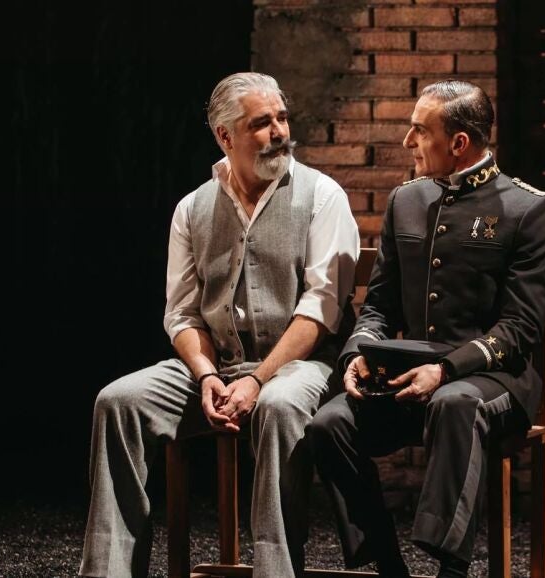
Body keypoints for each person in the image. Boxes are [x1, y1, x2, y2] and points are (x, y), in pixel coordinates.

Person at [79, 72, 361, 578]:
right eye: (262, 123)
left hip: (303, 365)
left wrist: (258, 379)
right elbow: (182, 312)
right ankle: (108, 571)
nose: (279, 132)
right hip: (222, 365)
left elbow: (321, 310)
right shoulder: (193, 208)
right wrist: (207, 374)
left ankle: (276, 571)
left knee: (277, 404)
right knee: (118, 402)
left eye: (282, 118)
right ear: (224, 136)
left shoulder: (323, 196)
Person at [310, 80, 545, 578]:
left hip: (496, 380)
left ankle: (450, 569)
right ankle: (388, 564)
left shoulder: (529, 210)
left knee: (454, 403)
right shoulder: (405, 200)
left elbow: (519, 328)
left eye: (420, 131)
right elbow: (378, 305)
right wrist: (357, 355)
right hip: (410, 378)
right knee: (329, 424)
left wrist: (445, 370)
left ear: (459, 142)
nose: (408, 142)